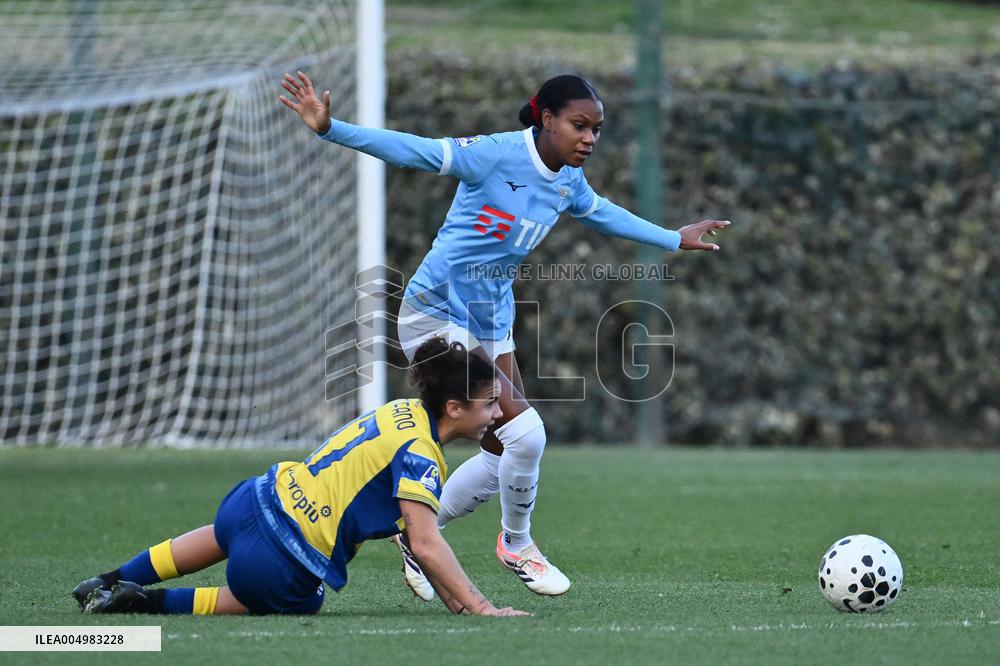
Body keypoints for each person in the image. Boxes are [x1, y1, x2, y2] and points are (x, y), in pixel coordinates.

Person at [280, 70, 730, 598]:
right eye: (579, 126)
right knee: (529, 433)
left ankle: (419, 534)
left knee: (504, 446)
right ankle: (516, 544)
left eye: (597, 129)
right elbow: (415, 150)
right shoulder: (494, 154)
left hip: (491, 316)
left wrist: (672, 238)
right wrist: (331, 128)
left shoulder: (568, 179)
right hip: (435, 311)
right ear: (547, 120)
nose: (590, 139)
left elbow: (601, 213)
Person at [71, 338, 528, 618]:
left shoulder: (401, 411)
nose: (496, 412)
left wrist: (457, 600)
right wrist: (482, 608)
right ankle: (145, 603)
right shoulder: (422, 454)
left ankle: (108, 578)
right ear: (454, 407)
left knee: (227, 535)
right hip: (279, 560)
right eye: (490, 402)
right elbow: (425, 543)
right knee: (300, 600)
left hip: (251, 500)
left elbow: (419, 541)